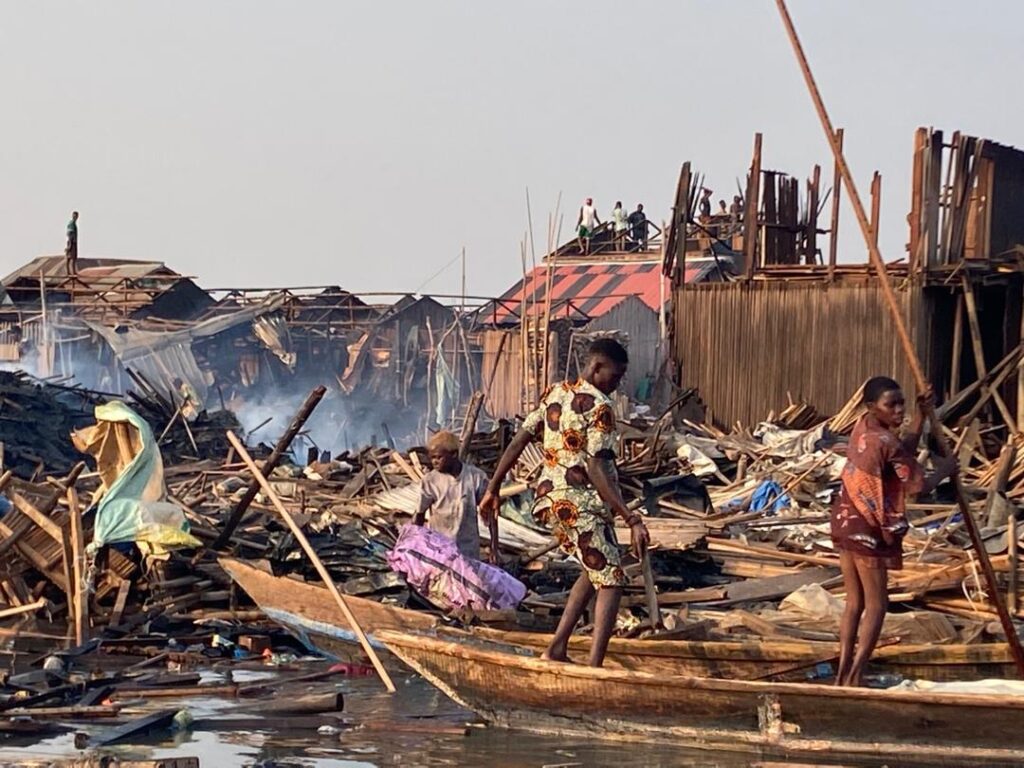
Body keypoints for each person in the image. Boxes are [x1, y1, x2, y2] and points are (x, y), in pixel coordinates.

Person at [479, 339, 649, 667]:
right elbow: (596, 468)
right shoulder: (600, 406)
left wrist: (493, 487)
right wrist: (631, 518)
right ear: (596, 367)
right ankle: (594, 668)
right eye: (615, 376)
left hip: (551, 500)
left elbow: (519, 439)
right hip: (578, 504)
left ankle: (556, 649)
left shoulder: (555, 392)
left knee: (594, 570)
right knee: (612, 580)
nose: (617, 384)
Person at [831, 377, 958, 687]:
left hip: (845, 519)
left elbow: (901, 456)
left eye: (902, 403)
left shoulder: (864, 427)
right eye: (892, 405)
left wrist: (920, 415)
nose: (899, 410)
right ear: (872, 406)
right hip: (867, 527)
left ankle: (842, 674)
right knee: (877, 604)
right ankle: (855, 676)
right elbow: (917, 486)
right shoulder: (884, 440)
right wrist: (946, 469)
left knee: (854, 602)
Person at [415, 430, 497, 562]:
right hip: (440, 549)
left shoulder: (475, 477)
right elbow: (419, 514)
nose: (434, 462)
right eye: (432, 458)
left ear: (454, 454)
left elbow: (491, 513)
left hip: (468, 550)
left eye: (439, 457)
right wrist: (416, 544)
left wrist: (494, 547)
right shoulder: (430, 481)